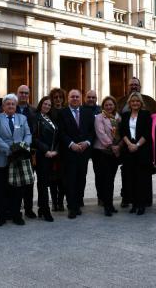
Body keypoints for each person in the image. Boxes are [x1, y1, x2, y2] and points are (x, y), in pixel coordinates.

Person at [0, 93, 34, 227]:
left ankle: (16, 215)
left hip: (18, 159)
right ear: (3, 106)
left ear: (16, 106)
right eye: (7, 104)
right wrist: (10, 150)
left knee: (17, 189)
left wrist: (22, 147)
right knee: (1, 189)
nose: (10, 106)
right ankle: (1, 216)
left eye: (13, 104)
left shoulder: (22, 118)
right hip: (1, 159)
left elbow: (28, 134)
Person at [117, 77, 155, 208]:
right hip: (127, 146)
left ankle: (145, 199)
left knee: (143, 174)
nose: (133, 86)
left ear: (140, 86)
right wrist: (127, 144)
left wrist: (138, 145)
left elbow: (149, 130)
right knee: (127, 173)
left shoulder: (149, 102)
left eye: (136, 84)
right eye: (131, 84)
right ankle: (127, 198)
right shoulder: (121, 102)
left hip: (143, 146)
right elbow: (120, 127)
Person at [58, 89, 96, 219]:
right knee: (70, 180)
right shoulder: (62, 113)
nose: (75, 98)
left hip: (83, 152)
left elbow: (92, 131)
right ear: (68, 98)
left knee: (81, 179)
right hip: (69, 152)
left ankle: (78, 203)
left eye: (77, 97)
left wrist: (87, 142)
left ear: (81, 98)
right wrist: (71, 144)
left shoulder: (87, 112)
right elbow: (61, 132)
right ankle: (71, 207)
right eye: (72, 96)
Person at [93, 96, 122, 216]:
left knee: (111, 179)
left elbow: (121, 133)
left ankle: (110, 203)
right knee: (106, 180)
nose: (109, 107)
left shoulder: (117, 117)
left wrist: (119, 146)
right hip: (103, 152)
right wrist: (112, 146)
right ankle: (106, 205)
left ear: (114, 106)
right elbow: (101, 134)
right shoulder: (99, 117)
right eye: (106, 105)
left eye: (111, 105)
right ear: (103, 106)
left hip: (115, 153)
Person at [33, 96, 59, 222]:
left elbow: (56, 136)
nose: (47, 106)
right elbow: (34, 138)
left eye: (49, 105)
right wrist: (46, 151)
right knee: (43, 184)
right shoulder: (36, 117)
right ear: (40, 104)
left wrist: (56, 151)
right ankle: (45, 210)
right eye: (45, 104)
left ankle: (41, 209)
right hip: (42, 155)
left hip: (52, 155)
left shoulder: (51, 118)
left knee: (48, 182)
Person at [16, 84, 37, 219]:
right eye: (21, 93)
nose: (24, 95)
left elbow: (35, 132)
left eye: (26, 93)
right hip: (13, 152)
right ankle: (15, 208)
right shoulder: (10, 107)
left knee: (29, 181)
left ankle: (29, 209)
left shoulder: (34, 111)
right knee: (15, 181)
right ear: (17, 93)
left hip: (29, 151)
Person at [48, 87, 67, 211]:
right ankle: (54, 202)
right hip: (52, 149)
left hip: (65, 149)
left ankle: (61, 201)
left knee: (63, 178)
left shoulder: (67, 111)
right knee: (53, 178)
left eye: (60, 97)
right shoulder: (49, 112)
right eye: (55, 97)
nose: (58, 99)